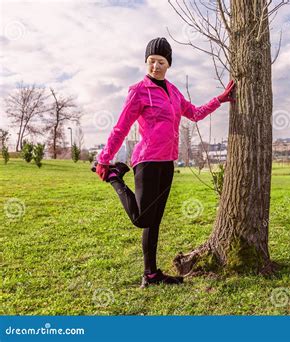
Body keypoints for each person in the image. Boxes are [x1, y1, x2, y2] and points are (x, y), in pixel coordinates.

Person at [92, 37, 235, 288]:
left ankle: (151, 274)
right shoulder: (139, 90)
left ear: (168, 64)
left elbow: (195, 113)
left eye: (160, 61)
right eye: (151, 61)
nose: (155, 66)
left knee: (155, 220)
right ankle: (115, 179)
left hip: (167, 162)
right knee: (142, 219)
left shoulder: (174, 92)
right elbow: (121, 127)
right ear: (146, 63)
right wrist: (105, 159)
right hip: (147, 160)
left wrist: (220, 99)